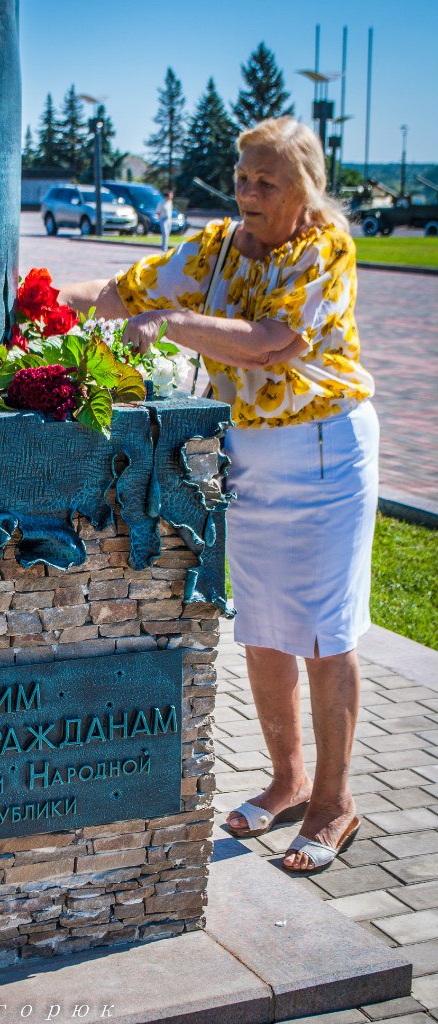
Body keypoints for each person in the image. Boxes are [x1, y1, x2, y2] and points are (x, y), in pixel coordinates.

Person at [59, 116, 378, 874]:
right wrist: (39, 298)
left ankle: (335, 803)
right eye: (241, 177)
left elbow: (272, 340)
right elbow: (117, 292)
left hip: (324, 449)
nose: (248, 192)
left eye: (266, 181)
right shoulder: (211, 249)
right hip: (249, 455)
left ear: (305, 186)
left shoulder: (324, 248)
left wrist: (170, 323)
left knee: (325, 631)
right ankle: (287, 780)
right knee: (264, 626)